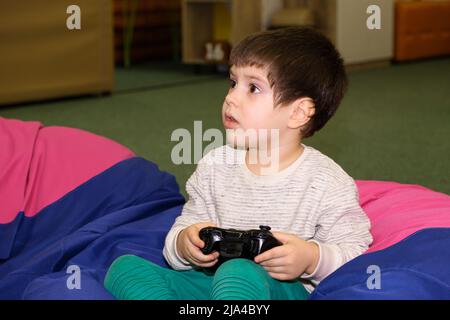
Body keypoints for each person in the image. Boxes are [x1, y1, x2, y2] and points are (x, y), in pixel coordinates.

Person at [104, 27, 372, 300]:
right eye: (233, 83)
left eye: (253, 88)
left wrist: (312, 258)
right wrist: (184, 244)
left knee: (239, 272)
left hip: (277, 289)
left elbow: (356, 253)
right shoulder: (214, 165)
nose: (231, 98)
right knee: (124, 269)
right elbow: (184, 230)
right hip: (209, 283)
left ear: (298, 113)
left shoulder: (326, 181)